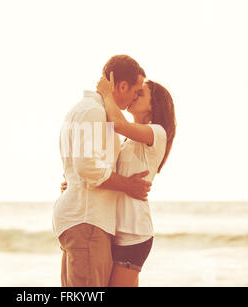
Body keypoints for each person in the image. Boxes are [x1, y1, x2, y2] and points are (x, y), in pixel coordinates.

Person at [52, 55, 151, 287]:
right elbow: (87, 166)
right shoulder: (93, 112)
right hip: (87, 222)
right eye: (136, 91)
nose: (135, 97)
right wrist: (129, 185)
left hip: (82, 219)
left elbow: (80, 167)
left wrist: (74, 181)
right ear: (122, 85)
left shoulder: (84, 109)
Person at [96, 71, 176, 286]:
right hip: (117, 231)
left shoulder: (157, 132)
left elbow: (119, 124)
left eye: (140, 94)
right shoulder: (128, 142)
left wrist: (106, 94)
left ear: (153, 105)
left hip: (134, 234)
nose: (133, 96)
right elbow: (110, 175)